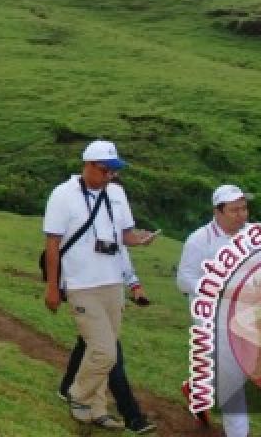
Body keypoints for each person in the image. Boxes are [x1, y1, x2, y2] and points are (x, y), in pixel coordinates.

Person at [43, 140, 157, 430]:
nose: (111, 176)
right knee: (104, 350)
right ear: (89, 165)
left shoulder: (117, 193)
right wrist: (53, 287)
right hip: (81, 284)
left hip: (112, 282)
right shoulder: (63, 195)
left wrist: (139, 239)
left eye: (114, 171)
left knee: (104, 354)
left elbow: (125, 235)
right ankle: (78, 394)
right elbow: (53, 244)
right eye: (106, 170)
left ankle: (98, 408)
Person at [176, 185, 261, 437]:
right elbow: (184, 279)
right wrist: (220, 289)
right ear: (218, 211)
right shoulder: (199, 240)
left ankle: (197, 387)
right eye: (234, 210)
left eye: (244, 208)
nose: (242, 214)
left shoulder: (253, 236)